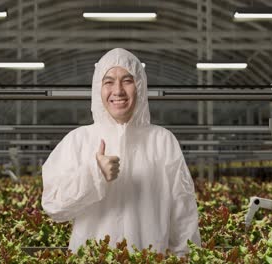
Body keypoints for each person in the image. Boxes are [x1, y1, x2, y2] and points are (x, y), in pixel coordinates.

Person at [41, 48, 201, 256]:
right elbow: (54, 206)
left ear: (140, 87)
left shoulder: (163, 141)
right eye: (108, 82)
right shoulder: (78, 141)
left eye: (127, 80)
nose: (118, 90)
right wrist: (94, 173)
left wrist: (185, 257)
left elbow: (183, 216)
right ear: (98, 88)